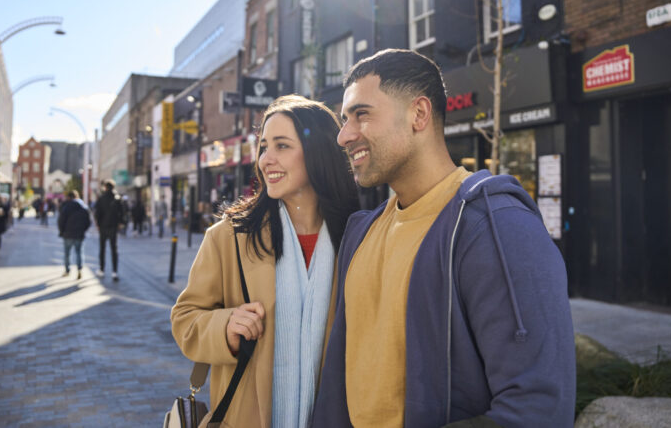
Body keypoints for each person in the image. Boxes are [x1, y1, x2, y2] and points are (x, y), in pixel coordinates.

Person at [311, 49, 575, 428]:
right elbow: (340, 380)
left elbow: (537, 408)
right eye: (344, 120)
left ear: (419, 114)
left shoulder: (497, 228)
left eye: (361, 114)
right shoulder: (361, 232)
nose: (343, 136)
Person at [171, 95, 359, 428]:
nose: (265, 160)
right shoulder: (229, 236)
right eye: (263, 147)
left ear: (318, 153)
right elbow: (184, 320)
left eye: (282, 146)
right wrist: (225, 326)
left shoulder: (356, 236)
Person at [57, 190, 91, 279]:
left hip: (67, 234)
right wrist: (83, 230)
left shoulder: (65, 207)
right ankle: (79, 269)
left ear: (68, 197)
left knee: (67, 254)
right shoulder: (83, 207)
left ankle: (67, 270)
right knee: (79, 252)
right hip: (79, 234)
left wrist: (62, 231)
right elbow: (88, 222)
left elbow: (61, 221)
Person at [94, 180, 124, 281]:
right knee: (114, 249)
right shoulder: (117, 198)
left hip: (103, 227)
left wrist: (98, 224)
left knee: (102, 249)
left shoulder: (101, 198)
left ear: (105, 187)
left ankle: (102, 269)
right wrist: (120, 223)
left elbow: (97, 213)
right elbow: (122, 212)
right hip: (113, 227)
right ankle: (114, 272)